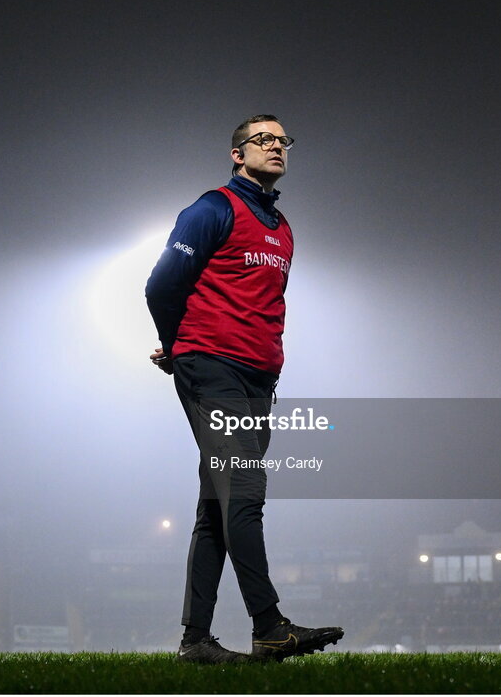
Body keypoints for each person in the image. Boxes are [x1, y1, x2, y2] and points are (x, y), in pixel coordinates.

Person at [146, 115, 344, 663]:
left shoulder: (283, 229)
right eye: (264, 140)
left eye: (283, 141)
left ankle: (196, 643)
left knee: (218, 504)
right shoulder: (210, 209)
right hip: (212, 367)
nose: (277, 147)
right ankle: (270, 625)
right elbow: (161, 284)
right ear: (237, 154)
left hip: (260, 377)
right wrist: (176, 343)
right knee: (246, 491)